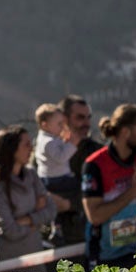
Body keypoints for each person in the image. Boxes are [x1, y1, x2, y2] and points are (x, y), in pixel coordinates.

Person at [81, 104, 136, 270]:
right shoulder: (95, 165)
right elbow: (95, 216)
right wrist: (134, 191)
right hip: (104, 259)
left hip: (133, 252)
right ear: (125, 131)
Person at [0, 126, 62, 272]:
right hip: (9, 266)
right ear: (12, 149)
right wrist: (36, 221)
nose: (31, 149)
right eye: (26, 145)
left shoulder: (32, 175)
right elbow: (10, 230)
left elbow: (51, 210)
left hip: (36, 260)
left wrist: (26, 219)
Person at [54, 94, 98, 254]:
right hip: (54, 239)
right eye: (80, 117)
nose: (86, 123)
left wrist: (70, 204)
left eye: (88, 118)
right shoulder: (47, 151)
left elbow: (104, 192)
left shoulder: (98, 153)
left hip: (88, 236)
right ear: (64, 119)